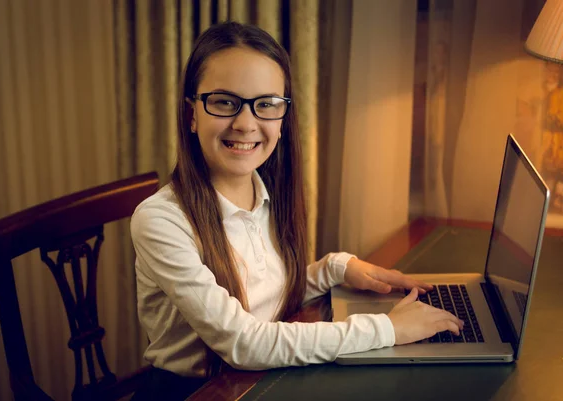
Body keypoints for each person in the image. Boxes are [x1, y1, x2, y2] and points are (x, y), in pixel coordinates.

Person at [130, 21, 463, 401]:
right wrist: (388, 329)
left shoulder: (267, 192)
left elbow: (264, 299)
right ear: (192, 114)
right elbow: (243, 341)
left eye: (266, 104)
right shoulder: (160, 220)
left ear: (283, 117)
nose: (245, 123)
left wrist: (336, 268)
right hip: (198, 392)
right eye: (224, 102)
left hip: (257, 380)